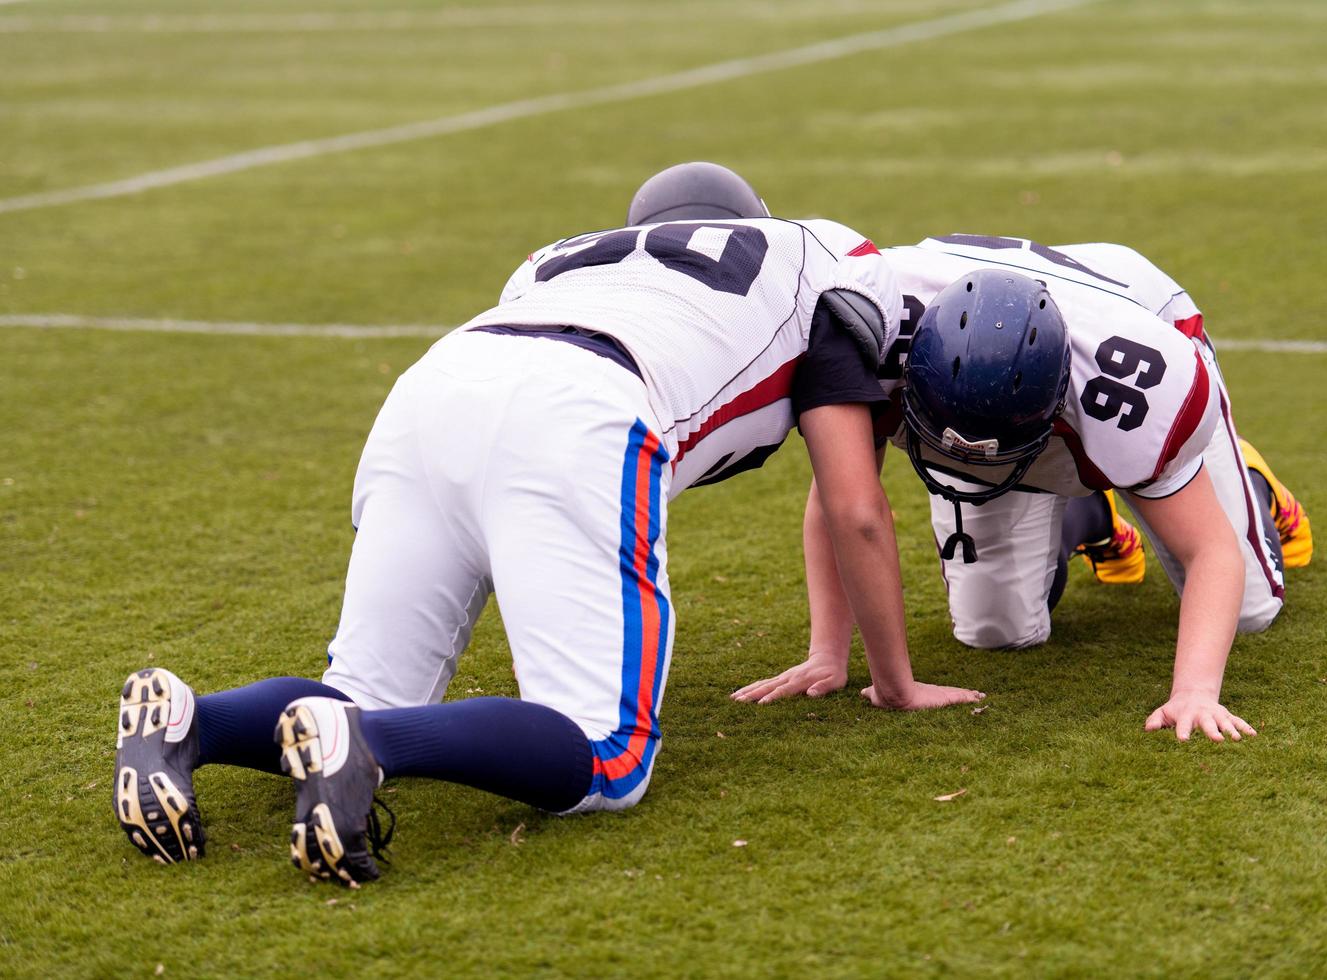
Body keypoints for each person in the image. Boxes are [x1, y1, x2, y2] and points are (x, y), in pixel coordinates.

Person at [113, 191, 983, 887]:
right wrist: (895, 684)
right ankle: (370, 751)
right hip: (582, 406)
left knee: (364, 687)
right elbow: (853, 504)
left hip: (436, 386)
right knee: (607, 755)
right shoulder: (820, 258)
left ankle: (194, 721)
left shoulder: (564, 257)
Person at [740, 234, 1314, 742]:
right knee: (995, 630)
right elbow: (844, 501)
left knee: (1248, 613)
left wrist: (1194, 692)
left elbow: (1210, 552)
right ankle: (1090, 517)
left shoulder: (1141, 394)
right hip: (1005, 379)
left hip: (1135, 315)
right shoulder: (868, 322)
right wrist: (827, 651)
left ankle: (1245, 480)